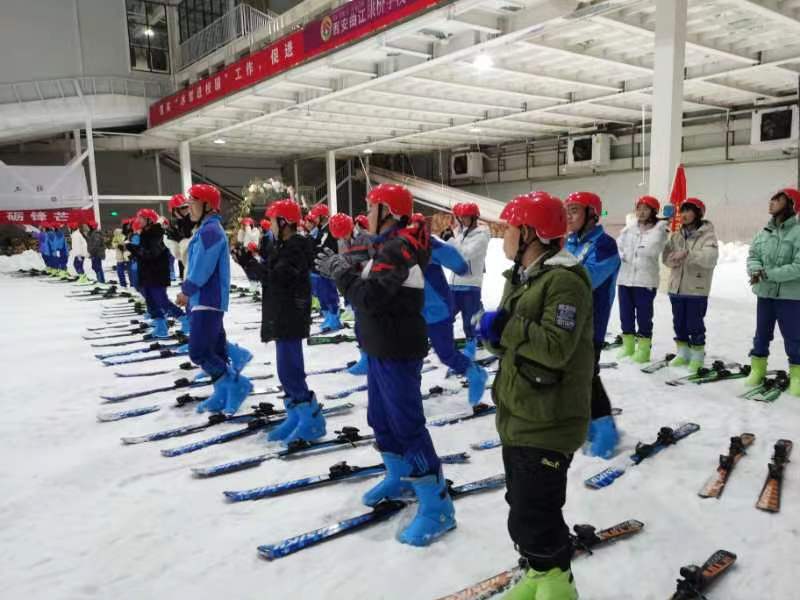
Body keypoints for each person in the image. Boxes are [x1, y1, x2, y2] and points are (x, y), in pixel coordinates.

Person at [316, 183, 454, 547]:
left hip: (397, 349)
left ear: (388, 212)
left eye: (372, 206)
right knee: (379, 419)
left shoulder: (399, 247)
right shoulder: (383, 245)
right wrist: (347, 267)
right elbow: (368, 283)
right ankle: (401, 474)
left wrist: (340, 274)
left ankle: (437, 503)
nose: (366, 213)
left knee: (407, 425)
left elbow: (371, 296)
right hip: (379, 345)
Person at [477, 192, 592, 600]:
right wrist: (493, 335)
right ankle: (539, 574)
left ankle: (558, 584)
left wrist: (506, 327)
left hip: (549, 417)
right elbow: (513, 340)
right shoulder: (524, 276)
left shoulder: (564, 281)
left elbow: (556, 346)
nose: (505, 236)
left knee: (536, 510)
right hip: (521, 409)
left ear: (529, 232)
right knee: (522, 505)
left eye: (510, 227)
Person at [236, 198, 325, 444]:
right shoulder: (282, 245)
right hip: (282, 312)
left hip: (291, 314)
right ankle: (296, 415)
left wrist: (249, 262)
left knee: (291, 370)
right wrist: (248, 262)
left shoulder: (296, 247)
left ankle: (311, 420)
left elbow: (277, 277)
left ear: (284, 222)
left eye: (274, 220)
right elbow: (267, 278)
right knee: (285, 371)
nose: (271, 225)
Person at [177, 184, 253, 415]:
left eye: (193, 201)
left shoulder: (210, 231)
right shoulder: (205, 229)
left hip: (207, 298)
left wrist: (187, 290)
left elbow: (202, 268)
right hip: (203, 299)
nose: (189, 206)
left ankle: (235, 385)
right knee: (216, 349)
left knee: (199, 351)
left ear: (208, 205)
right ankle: (222, 391)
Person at [564, 191, 620, 459]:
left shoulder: (605, 245)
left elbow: (585, 279)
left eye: (575, 210)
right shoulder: (569, 243)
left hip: (592, 325)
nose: (569, 216)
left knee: (587, 377)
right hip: (569, 321)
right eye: (568, 210)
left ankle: (606, 427)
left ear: (592, 214)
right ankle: (587, 422)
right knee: (573, 377)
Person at [411, 213, 488, 406]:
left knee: (446, 353)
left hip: (437, 310)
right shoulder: (389, 244)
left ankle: (475, 373)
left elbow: (460, 265)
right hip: (411, 311)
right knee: (411, 354)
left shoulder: (429, 244)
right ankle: (410, 395)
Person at [745, 188, 800, 396]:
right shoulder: (764, 232)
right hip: (765, 295)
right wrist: (755, 269)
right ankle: (757, 369)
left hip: (791, 297)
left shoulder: (798, 232)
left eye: (778, 199)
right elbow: (753, 255)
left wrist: (768, 274)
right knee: (761, 335)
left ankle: (797, 375)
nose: (772, 202)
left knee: (794, 338)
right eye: (772, 199)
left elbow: (798, 266)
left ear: (791, 204)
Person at [662, 197, 719, 374]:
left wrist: (687, 254)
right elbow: (665, 257)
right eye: (682, 211)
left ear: (698, 213)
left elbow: (710, 258)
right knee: (679, 323)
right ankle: (683, 352)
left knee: (694, 324)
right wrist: (672, 259)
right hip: (676, 288)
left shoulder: (707, 235)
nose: (684, 215)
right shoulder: (676, 235)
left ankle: (697, 356)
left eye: (688, 211)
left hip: (696, 289)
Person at [615, 196, 668, 363]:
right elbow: (619, 245)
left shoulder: (660, 230)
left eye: (646, 208)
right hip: (625, 278)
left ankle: (644, 350)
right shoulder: (629, 229)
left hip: (645, 280)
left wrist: (633, 250)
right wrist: (622, 253)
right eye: (639, 208)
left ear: (653, 211)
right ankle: (628, 346)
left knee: (644, 316)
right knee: (625, 314)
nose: (641, 212)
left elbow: (651, 250)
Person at [126, 208, 184, 338]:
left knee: (161, 300)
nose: (138, 220)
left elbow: (152, 254)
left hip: (157, 274)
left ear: (149, 220)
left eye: (141, 218)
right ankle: (160, 326)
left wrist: (133, 249)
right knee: (151, 302)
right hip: (147, 274)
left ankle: (185, 320)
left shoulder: (157, 233)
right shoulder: (145, 233)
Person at [328, 212, 371, 375]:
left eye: (344, 235)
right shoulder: (342, 241)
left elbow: (372, 262)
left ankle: (371, 357)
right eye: (340, 237)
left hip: (369, 286)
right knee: (360, 325)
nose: (343, 239)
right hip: (355, 286)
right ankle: (365, 357)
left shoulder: (366, 238)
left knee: (367, 325)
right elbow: (344, 260)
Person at [447, 202, 491, 360]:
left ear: (474, 218)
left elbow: (465, 254)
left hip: (471, 285)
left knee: (469, 320)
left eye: (465, 217)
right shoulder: (460, 233)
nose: (462, 220)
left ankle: (471, 344)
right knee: (447, 315)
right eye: (461, 217)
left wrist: (451, 241)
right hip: (453, 284)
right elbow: (452, 254)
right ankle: (446, 343)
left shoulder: (482, 236)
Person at [307, 204, 344, 332]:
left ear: (322, 216)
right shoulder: (320, 230)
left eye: (316, 216)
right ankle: (328, 316)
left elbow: (321, 246)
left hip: (327, 268)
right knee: (322, 294)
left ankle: (334, 318)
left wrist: (314, 246)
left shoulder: (328, 230)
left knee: (329, 293)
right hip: (319, 267)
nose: (314, 219)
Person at [166, 194, 194, 280]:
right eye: (183, 208)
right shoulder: (173, 225)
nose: (186, 210)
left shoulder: (194, 220)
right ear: (175, 211)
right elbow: (177, 252)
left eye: (187, 207)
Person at [85, 219, 106, 283]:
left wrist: (91, 251)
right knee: (95, 266)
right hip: (94, 253)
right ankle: (100, 279)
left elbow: (96, 244)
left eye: (89, 226)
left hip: (96, 253)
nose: (88, 227)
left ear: (92, 226)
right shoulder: (91, 233)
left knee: (97, 267)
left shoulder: (96, 234)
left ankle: (101, 280)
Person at [112, 223, 130, 288]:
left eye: (129, 225)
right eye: (127, 225)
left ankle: (133, 285)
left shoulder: (131, 233)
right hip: (120, 256)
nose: (128, 226)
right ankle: (123, 284)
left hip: (129, 256)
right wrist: (118, 245)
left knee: (130, 272)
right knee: (120, 271)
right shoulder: (118, 233)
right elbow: (113, 243)